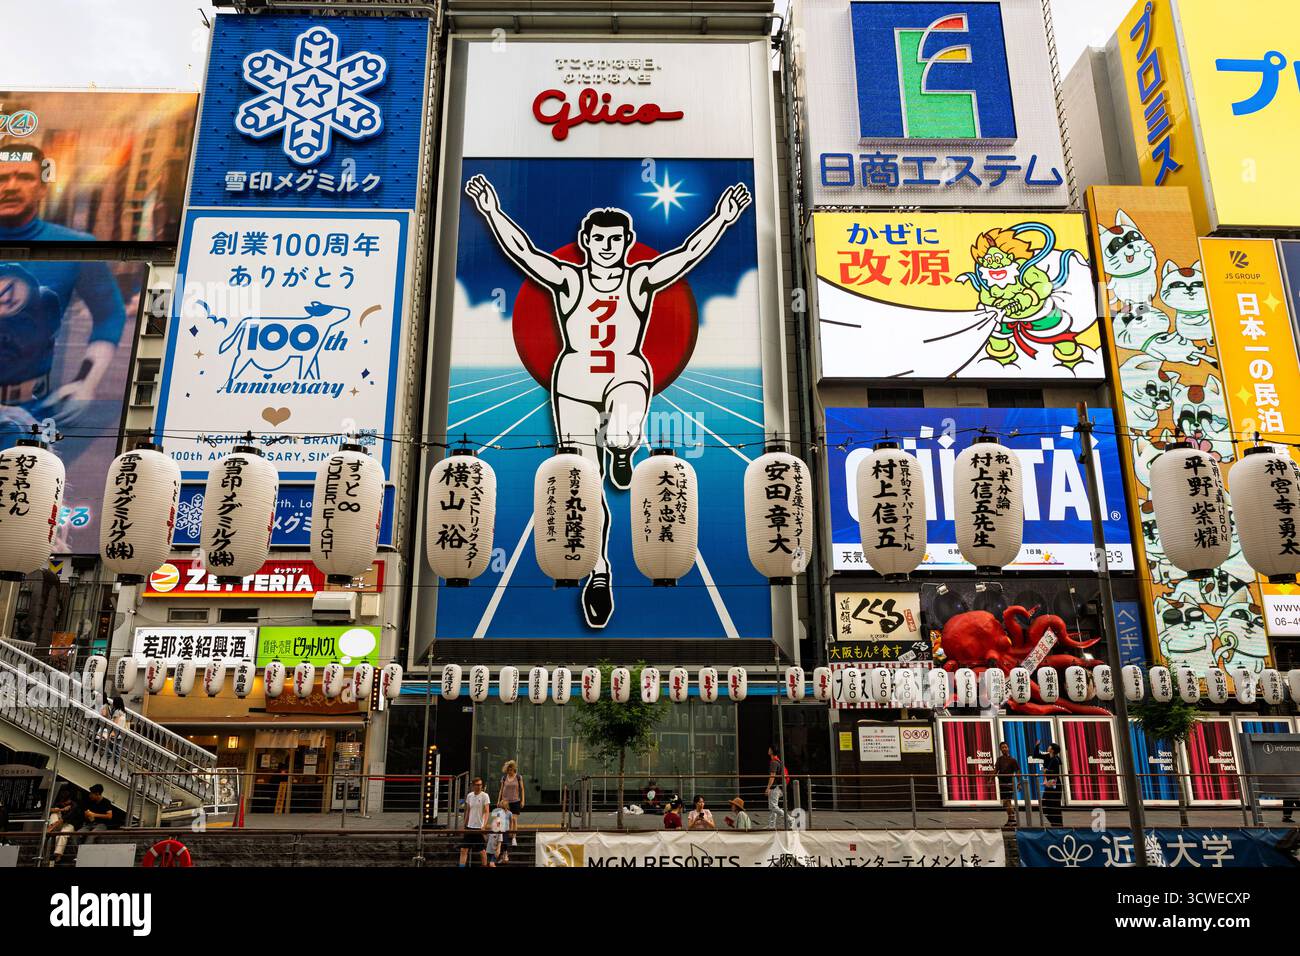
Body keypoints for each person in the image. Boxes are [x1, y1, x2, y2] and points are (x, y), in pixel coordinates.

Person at [465, 173, 752, 628]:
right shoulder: (568, 280)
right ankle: (599, 570)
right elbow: (523, 252)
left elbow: (685, 256)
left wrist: (721, 219)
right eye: (598, 239)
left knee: (626, 412)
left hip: (624, 370)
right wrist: (492, 211)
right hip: (575, 380)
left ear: (625, 243)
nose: (605, 246)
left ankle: (622, 448)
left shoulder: (638, 282)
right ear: (586, 241)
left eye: (614, 240)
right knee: (584, 484)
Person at [0, 149, 129, 448]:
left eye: (24, 177)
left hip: (32, 412)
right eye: (3, 177)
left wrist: (87, 380)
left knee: (30, 493)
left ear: (42, 187)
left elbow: (110, 313)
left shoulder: (75, 247)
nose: (12, 186)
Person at [458, 777, 491, 867]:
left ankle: (484, 866)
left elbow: (487, 811)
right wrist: (464, 824)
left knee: (482, 851)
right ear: (473, 786)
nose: (479, 786)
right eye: (477, 785)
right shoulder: (470, 796)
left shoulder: (485, 796)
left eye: (480, 784)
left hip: (479, 827)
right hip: (469, 826)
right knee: (463, 849)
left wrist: (484, 825)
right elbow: (468, 811)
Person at [1033, 741, 1065, 827]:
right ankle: (1054, 823)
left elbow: (1056, 773)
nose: (1048, 747)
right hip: (1049, 784)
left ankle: (1058, 825)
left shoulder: (1056, 759)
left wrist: (1046, 771)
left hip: (1055, 784)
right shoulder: (1047, 756)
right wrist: (1036, 747)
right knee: (1045, 805)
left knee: (1055, 806)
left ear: (1052, 750)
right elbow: (1036, 755)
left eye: (1050, 746)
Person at [497, 759, 524, 848]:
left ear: (514, 769)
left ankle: (514, 838)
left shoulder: (518, 777)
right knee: (507, 820)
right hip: (505, 802)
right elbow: (501, 789)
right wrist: (498, 800)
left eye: (511, 770)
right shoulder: (504, 778)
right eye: (508, 770)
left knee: (514, 819)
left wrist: (523, 800)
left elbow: (522, 789)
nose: (509, 772)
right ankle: (506, 837)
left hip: (515, 801)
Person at [994, 741, 1021, 827]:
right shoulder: (999, 759)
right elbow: (996, 770)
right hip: (1002, 784)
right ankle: (1011, 819)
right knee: (1006, 803)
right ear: (1000, 749)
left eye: (1006, 747)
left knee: (1007, 802)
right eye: (1002, 747)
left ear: (1008, 748)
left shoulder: (1013, 760)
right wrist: (991, 779)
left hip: (1009, 784)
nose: (1004, 749)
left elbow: (1018, 771)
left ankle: (1012, 819)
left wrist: (1019, 783)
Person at [765, 744, 787, 830]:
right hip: (778, 787)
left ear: (772, 751)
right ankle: (771, 825)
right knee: (772, 807)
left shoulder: (774, 762)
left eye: (769, 748)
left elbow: (772, 776)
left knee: (773, 807)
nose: (768, 750)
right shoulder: (778, 761)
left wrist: (768, 788)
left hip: (777, 788)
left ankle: (790, 819)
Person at [486, 799, 512, 866]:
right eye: (501, 805)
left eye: (503, 806)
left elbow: (511, 822)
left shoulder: (509, 813)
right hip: (499, 829)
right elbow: (495, 818)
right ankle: (500, 856)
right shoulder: (498, 812)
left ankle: (505, 854)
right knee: (499, 842)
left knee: (505, 842)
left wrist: (511, 830)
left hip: (506, 830)